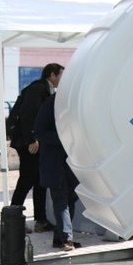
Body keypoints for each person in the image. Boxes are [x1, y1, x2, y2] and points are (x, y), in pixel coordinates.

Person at [10, 63, 64, 232]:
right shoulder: (37, 89)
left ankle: (40, 220)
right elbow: (28, 115)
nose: (63, 79)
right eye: (61, 75)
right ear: (52, 75)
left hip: (34, 141)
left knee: (40, 181)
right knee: (26, 180)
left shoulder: (44, 89)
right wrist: (31, 140)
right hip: (28, 143)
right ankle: (13, 221)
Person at [33, 91, 80, 251]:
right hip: (55, 161)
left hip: (72, 161)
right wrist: (63, 138)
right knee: (61, 200)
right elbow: (39, 131)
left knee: (71, 199)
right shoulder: (49, 105)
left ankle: (60, 238)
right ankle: (67, 238)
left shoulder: (75, 105)